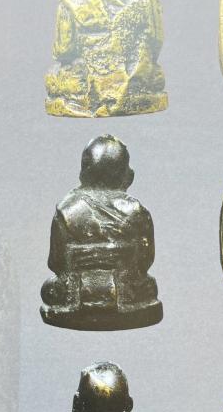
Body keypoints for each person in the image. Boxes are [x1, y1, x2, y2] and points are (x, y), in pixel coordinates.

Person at [40, 135, 162, 329]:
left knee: (49, 289)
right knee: (149, 285)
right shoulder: (137, 211)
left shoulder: (67, 210)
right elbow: (146, 260)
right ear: (125, 174)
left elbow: (56, 263)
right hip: (129, 294)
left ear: (84, 172)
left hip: (75, 296)